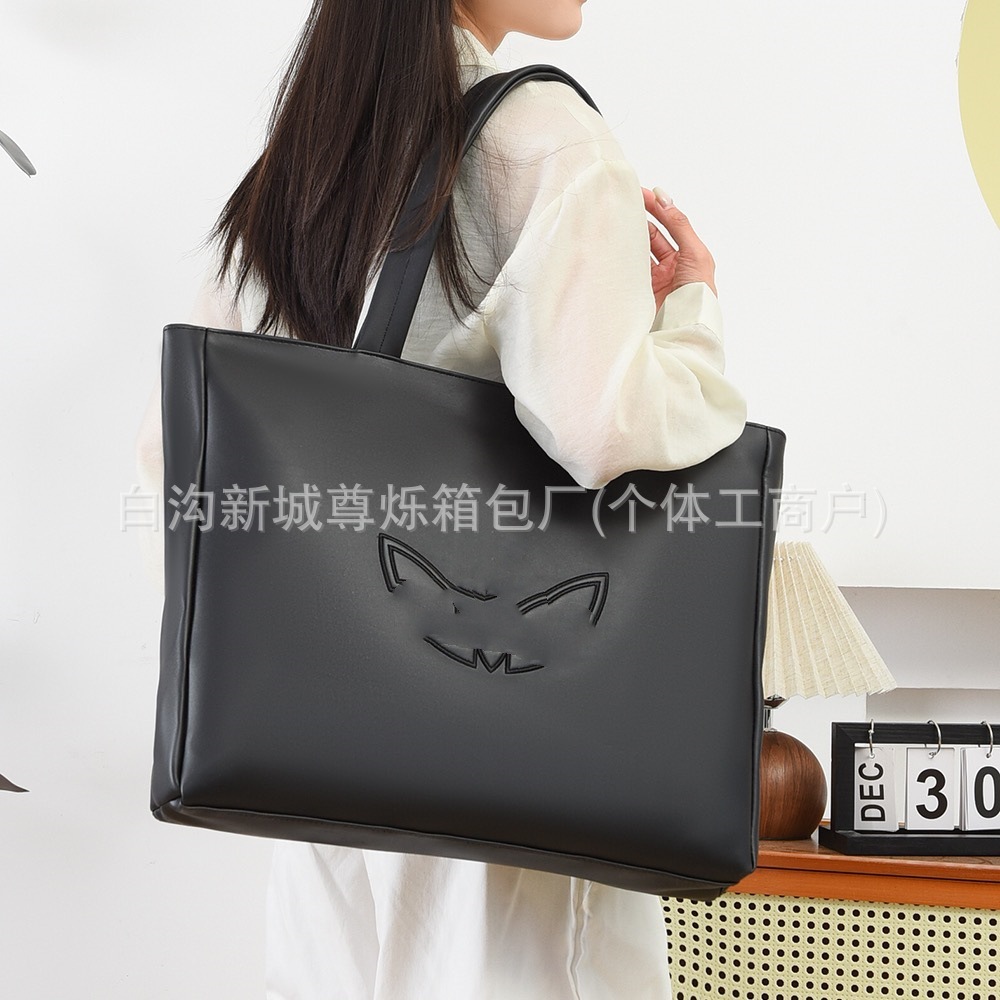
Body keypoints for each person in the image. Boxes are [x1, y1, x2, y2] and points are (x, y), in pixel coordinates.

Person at [134, 1, 748, 997]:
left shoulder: (301, 160)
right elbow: (603, 431)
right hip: (514, 771)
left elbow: (180, 458)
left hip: (320, 764)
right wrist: (689, 318)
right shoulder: (547, 139)